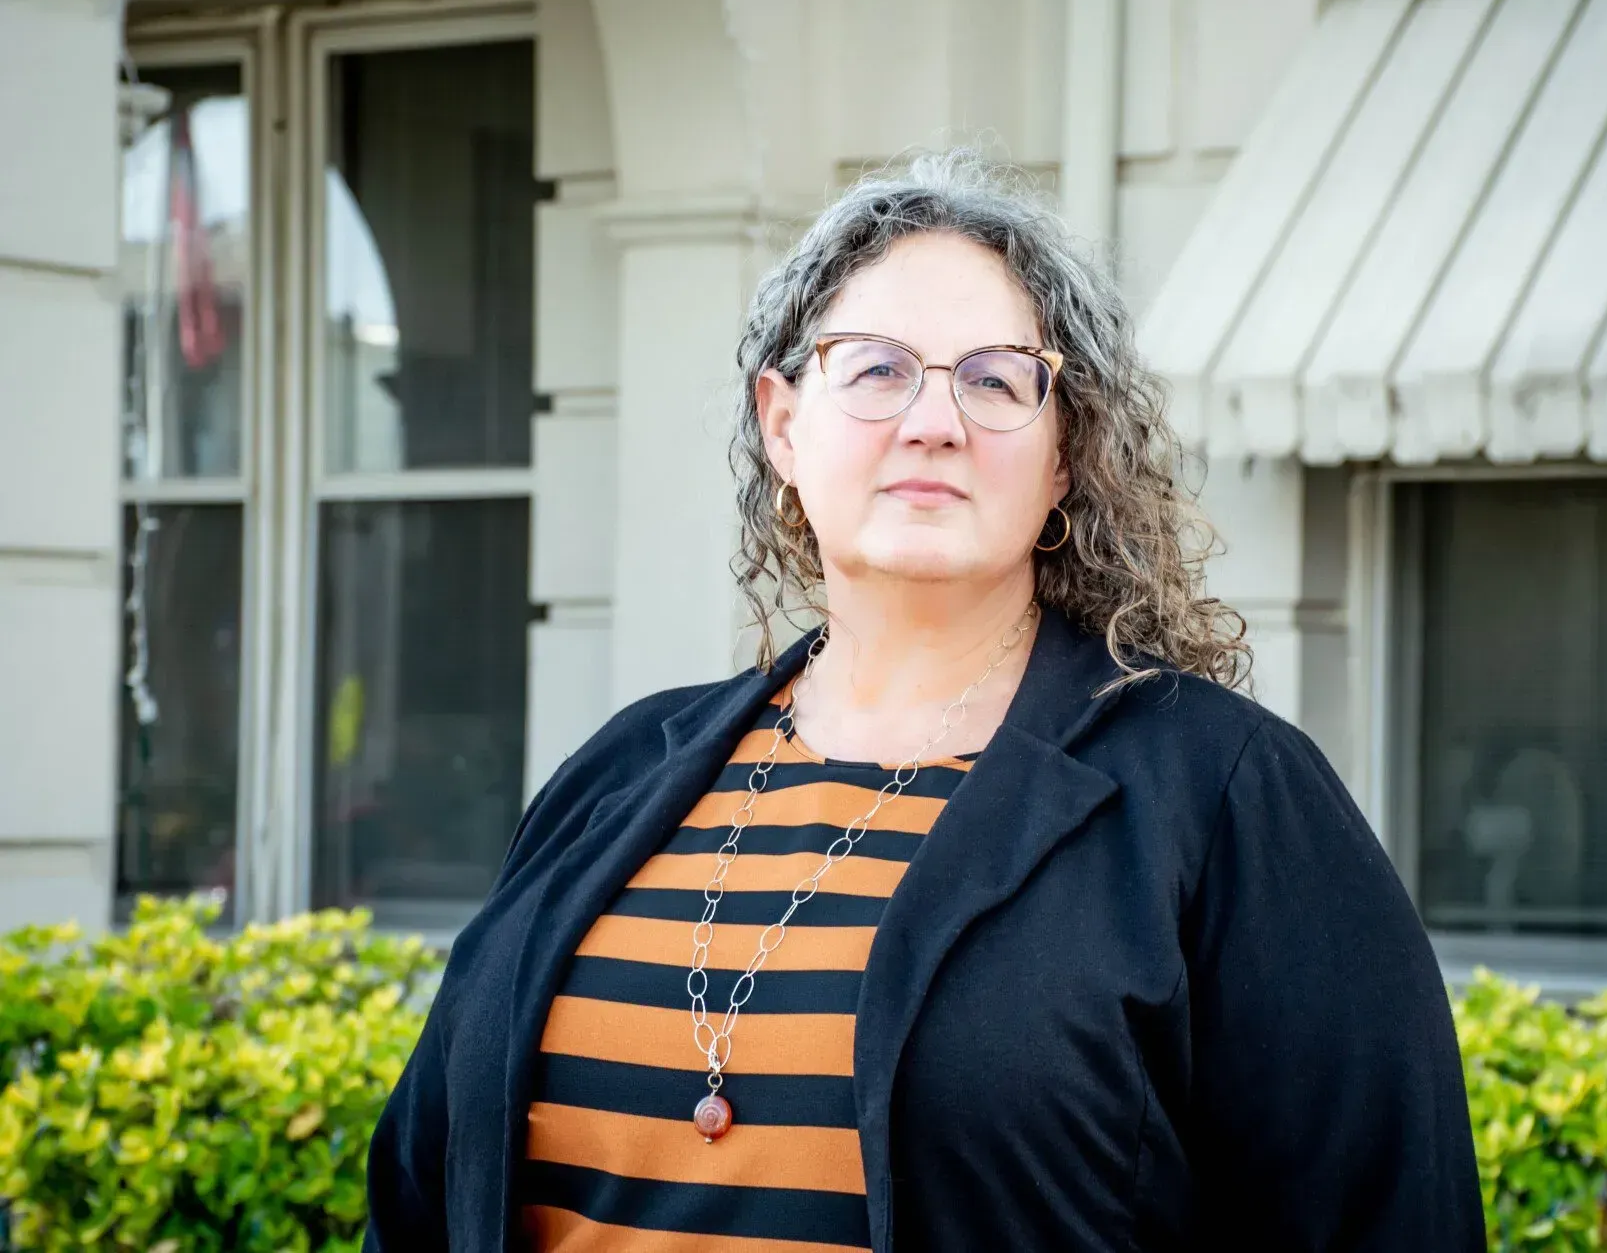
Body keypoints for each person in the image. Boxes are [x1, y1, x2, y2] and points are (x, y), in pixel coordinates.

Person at [363, 150, 1483, 1253]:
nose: (934, 421)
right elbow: (421, 1193)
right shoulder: (618, 774)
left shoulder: (1227, 798)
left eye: (995, 380)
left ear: (1062, 456)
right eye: (875, 369)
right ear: (784, 424)